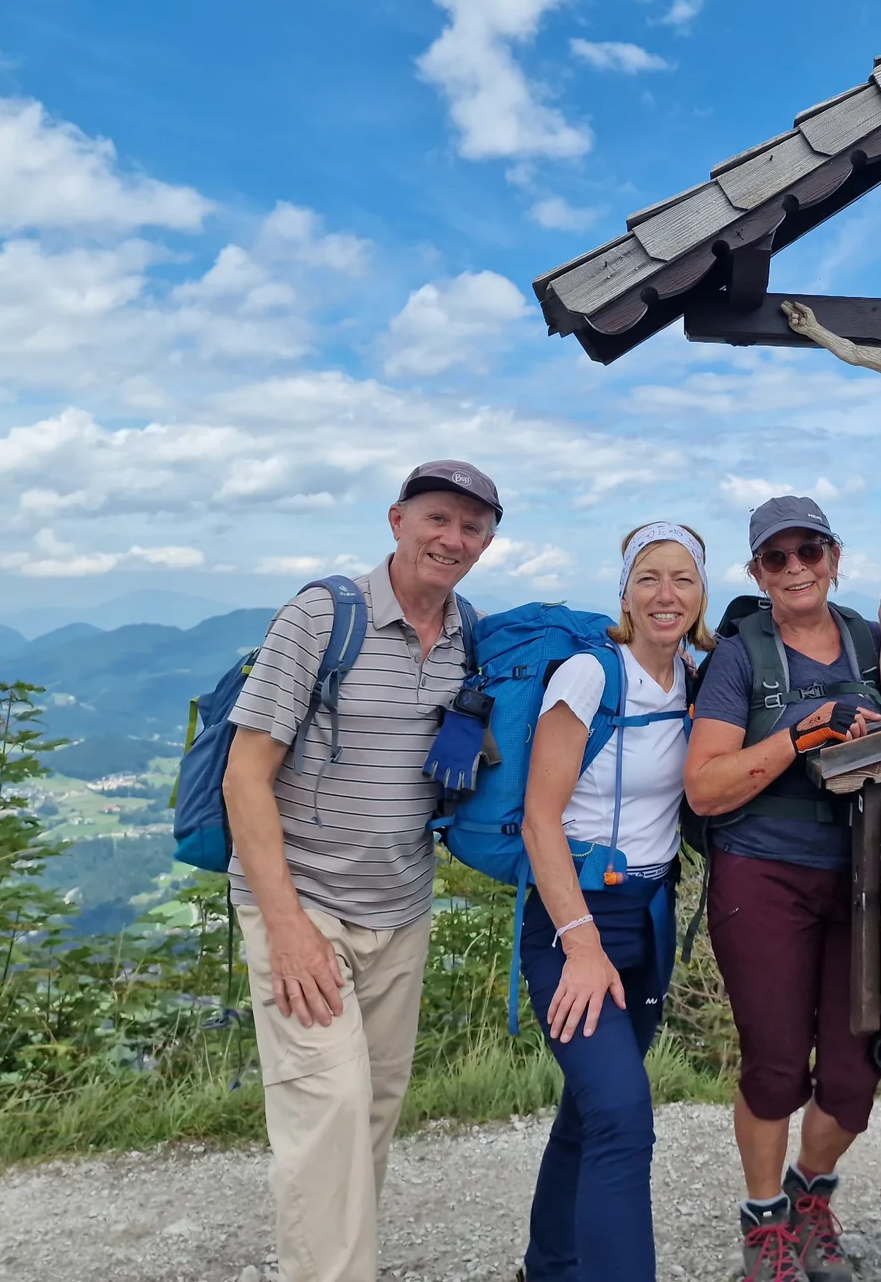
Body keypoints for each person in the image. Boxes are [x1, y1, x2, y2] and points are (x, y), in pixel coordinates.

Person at [223, 460, 499, 1282]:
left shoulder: (469, 632)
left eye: (472, 528)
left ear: (487, 542)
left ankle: (336, 1261)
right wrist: (286, 928)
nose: (453, 539)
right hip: (303, 907)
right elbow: (246, 775)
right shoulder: (322, 617)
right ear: (397, 521)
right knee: (328, 1111)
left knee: (370, 1112)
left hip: (402, 907)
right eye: (438, 519)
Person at [684, 495, 881, 1282]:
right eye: (778, 557)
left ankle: (812, 1190)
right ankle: (767, 1218)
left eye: (810, 552)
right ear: (758, 572)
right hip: (762, 873)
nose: (796, 568)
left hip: (868, 876)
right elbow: (704, 789)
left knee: (853, 1074)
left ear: (835, 558)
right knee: (775, 1066)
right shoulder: (742, 657)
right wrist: (807, 731)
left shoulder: (872, 642)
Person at [517, 522, 715, 1282]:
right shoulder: (590, 676)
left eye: (683, 580)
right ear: (625, 593)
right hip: (576, 921)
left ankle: (552, 1264)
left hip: (650, 924)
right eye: (649, 578)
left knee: (591, 1111)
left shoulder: (693, 680)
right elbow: (540, 819)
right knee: (625, 1122)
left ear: (701, 596)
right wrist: (582, 945)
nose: (665, 595)